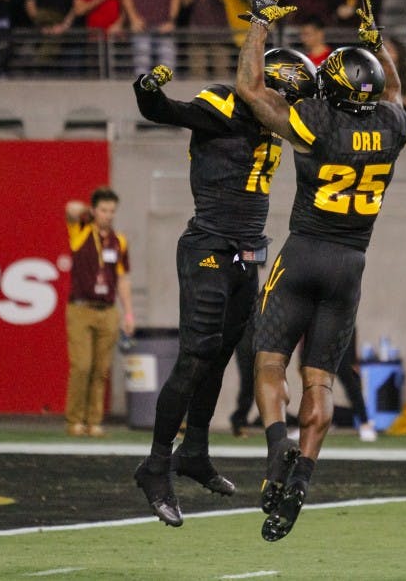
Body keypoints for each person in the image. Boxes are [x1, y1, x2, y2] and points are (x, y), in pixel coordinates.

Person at [235, 0, 406, 541]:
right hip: (350, 266)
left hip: (305, 250)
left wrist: (259, 20)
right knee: (322, 383)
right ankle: (303, 478)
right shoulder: (392, 127)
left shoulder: (316, 121)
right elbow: (395, 93)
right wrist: (378, 43)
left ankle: (274, 453)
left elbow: (250, 88)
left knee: (268, 362)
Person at [131, 45, 318, 528]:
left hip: (245, 252)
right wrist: (148, 91)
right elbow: (167, 111)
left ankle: (194, 452)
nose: (289, 111)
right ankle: (155, 466)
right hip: (208, 247)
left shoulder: (272, 121)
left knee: (218, 354)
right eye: (289, 98)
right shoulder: (224, 104)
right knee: (195, 356)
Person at [64, 187, 135, 438]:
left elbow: (123, 279)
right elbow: (70, 208)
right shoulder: (82, 231)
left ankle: (93, 420)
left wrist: (128, 314)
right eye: (103, 210)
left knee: (101, 368)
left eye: (112, 211)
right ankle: (75, 419)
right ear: (95, 210)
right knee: (82, 365)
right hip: (81, 308)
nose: (108, 215)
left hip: (108, 310)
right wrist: (89, 212)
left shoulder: (119, 241)